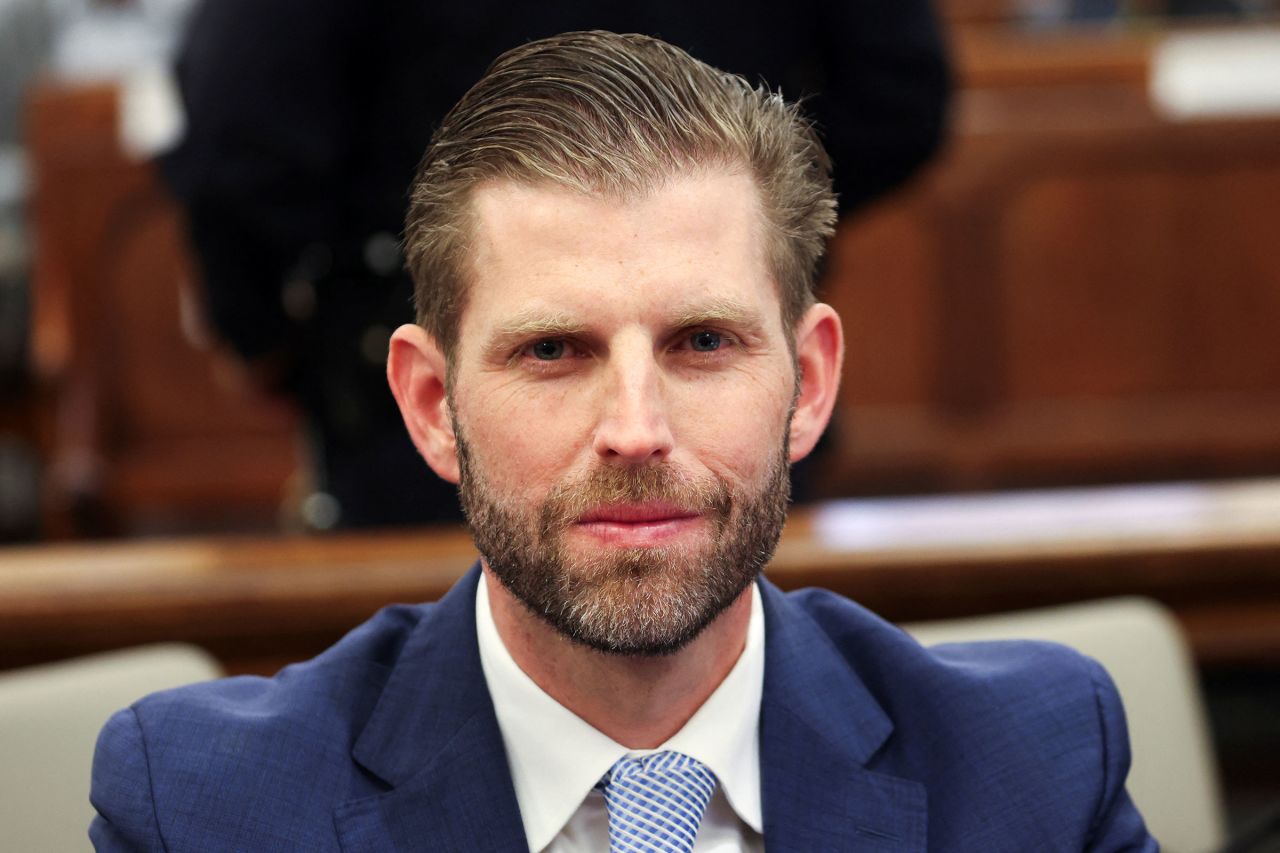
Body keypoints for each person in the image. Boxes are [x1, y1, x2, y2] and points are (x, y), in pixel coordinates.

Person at [90, 32, 1155, 851]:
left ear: (808, 382)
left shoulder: (1032, 770)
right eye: (553, 349)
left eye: (701, 341)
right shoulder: (203, 808)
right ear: (428, 404)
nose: (634, 432)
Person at [159, 0, 950, 528]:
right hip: (452, 390)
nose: (632, 430)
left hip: (415, 359)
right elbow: (898, 98)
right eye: (558, 346)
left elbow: (242, 138)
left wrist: (259, 330)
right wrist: (736, 241)